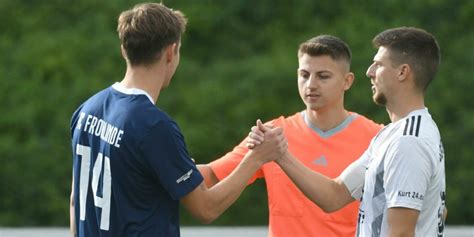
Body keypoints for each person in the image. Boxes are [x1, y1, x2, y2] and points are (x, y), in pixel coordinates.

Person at [69, 3, 286, 237]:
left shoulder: (86, 110)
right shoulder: (153, 127)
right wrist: (257, 158)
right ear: (171, 52)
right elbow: (206, 208)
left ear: (124, 49)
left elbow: (76, 202)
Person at [249, 27, 446, 236]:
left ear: (402, 72)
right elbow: (335, 195)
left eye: (378, 65)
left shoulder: (408, 141)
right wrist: (280, 154)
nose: (369, 72)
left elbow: (401, 233)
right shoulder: (391, 135)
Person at [198, 35, 382, 237]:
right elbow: (212, 175)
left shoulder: (377, 137)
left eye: (323, 76)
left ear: (347, 81)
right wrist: (166, 165)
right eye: (304, 75)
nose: (311, 84)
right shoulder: (273, 134)